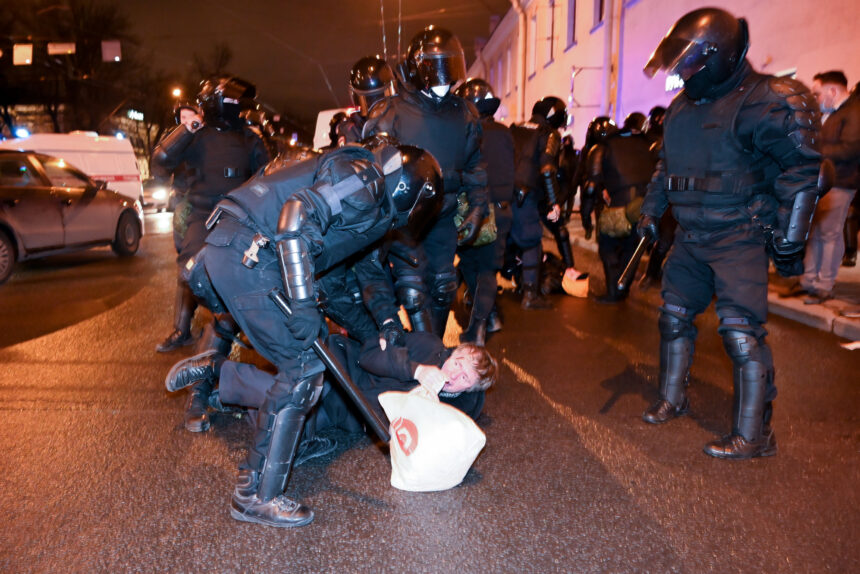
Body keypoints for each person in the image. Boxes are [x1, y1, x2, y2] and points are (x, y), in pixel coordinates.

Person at [165, 139, 443, 527]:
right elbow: (295, 219)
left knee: (311, 366)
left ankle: (260, 428)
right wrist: (303, 305)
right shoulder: (363, 179)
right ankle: (256, 494)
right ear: (409, 192)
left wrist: (385, 325)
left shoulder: (369, 199)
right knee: (304, 370)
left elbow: (365, 275)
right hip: (249, 253)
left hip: (248, 251)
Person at [638, 7, 822, 459]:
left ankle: (755, 435)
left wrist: (789, 239)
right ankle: (672, 398)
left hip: (739, 235)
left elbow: (804, 172)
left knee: (741, 335)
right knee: (673, 317)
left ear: (718, 55)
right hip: (691, 236)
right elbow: (667, 169)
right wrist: (650, 212)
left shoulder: (766, 99)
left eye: (690, 63)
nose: (683, 73)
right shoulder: (681, 110)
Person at [152, 77, 270, 431]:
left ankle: (214, 387)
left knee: (234, 306)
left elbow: (269, 178)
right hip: (203, 222)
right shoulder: (197, 134)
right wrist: (186, 129)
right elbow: (160, 161)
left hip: (240, 223)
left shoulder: (250, 138)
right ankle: (199, 390)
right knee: (207, 289)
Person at [363, 25, 489, 336]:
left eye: (450, 67)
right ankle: (423, 358)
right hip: (403, 221)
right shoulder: (390, 112)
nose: (445, 79)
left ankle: (430, 348)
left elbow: (475, 164)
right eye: (437, 68)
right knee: (412, 291)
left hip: (443, 215)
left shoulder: (465, 114)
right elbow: (370, 168)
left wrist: (477, 208)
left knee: (444, 286)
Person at [313, 332, 497, 434]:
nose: (454, 375)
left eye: (465, 378)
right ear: (453, 354)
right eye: (457, 363)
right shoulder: (428, 345)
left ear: (469, 389)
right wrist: (416, 370)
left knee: (306, 424)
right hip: (343, 372)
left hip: (351, 412)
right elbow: (368, 356)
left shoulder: (456, 410)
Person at [786, 71, 860, 304]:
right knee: (816, 232)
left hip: (840, 181)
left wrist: (814, 153)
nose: (816, 98)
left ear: (833, 91)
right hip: (823, 181)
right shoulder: (834, 114)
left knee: (829, 234)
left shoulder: (854, 112)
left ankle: (824, 286)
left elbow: (850, 149)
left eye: (818, 93)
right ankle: (809, 282)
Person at [454, 78, 515, 343]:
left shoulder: (463, 134)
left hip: (474, 211)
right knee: (489, 270)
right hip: (502, 212)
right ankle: (490, 318)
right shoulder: (505, 133)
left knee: (470, 265)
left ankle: (477, 327)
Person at [508, 97, 572, 309]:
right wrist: (554, 202)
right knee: (531, 243)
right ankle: (530, 295)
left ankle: (472, 292)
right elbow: (546, 170)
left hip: (501, 195)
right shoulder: (549, 134)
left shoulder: (515, 129)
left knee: (498, 244)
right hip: (524, 197)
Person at [587, 112, 657, 303]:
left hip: (619, 207)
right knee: (631, 248)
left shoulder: (605, 146)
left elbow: (591, 186)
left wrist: (587, 216)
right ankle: (622, 289)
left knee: (607, 247)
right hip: (643, 206)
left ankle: (613, 293)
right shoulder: (648, 144)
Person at [638, 105, 676, 291]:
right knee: (664, 242)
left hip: (698, 203)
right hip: (670, 200)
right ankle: (651, 274)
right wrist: (650, 210)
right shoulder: (659, 141)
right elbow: (658, 175)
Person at [333, 55, 397, 146]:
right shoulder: (351, 130)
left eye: (382, 98)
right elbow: (350, 155)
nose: (377, 108)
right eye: (369, 101)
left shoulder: (402, 116)